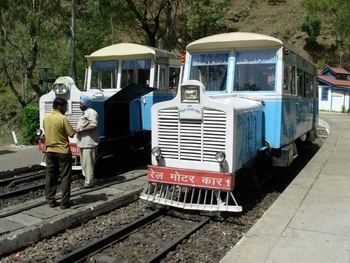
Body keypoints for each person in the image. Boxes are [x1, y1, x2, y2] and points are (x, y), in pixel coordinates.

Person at [43, 97, 75, 209]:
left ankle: (51, 200)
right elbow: (71, 134)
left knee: (50, 176)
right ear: (60, 107)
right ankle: (64, 202)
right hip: (62, 151)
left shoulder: (46, 117)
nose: (66, 109)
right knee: (65, 176)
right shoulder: (63, 118)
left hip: (50, 151)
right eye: (65, 107)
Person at [74, 94, 99, 189]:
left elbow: (93, 125)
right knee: (84, 164)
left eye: (81, 103)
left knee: (88, 164)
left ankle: (89, 183)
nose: (79, 105)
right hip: (83, 143)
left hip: (89, 143)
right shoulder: (85, 113)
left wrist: (80, 130)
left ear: (85, 104)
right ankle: (87, 181)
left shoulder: (92, 113)